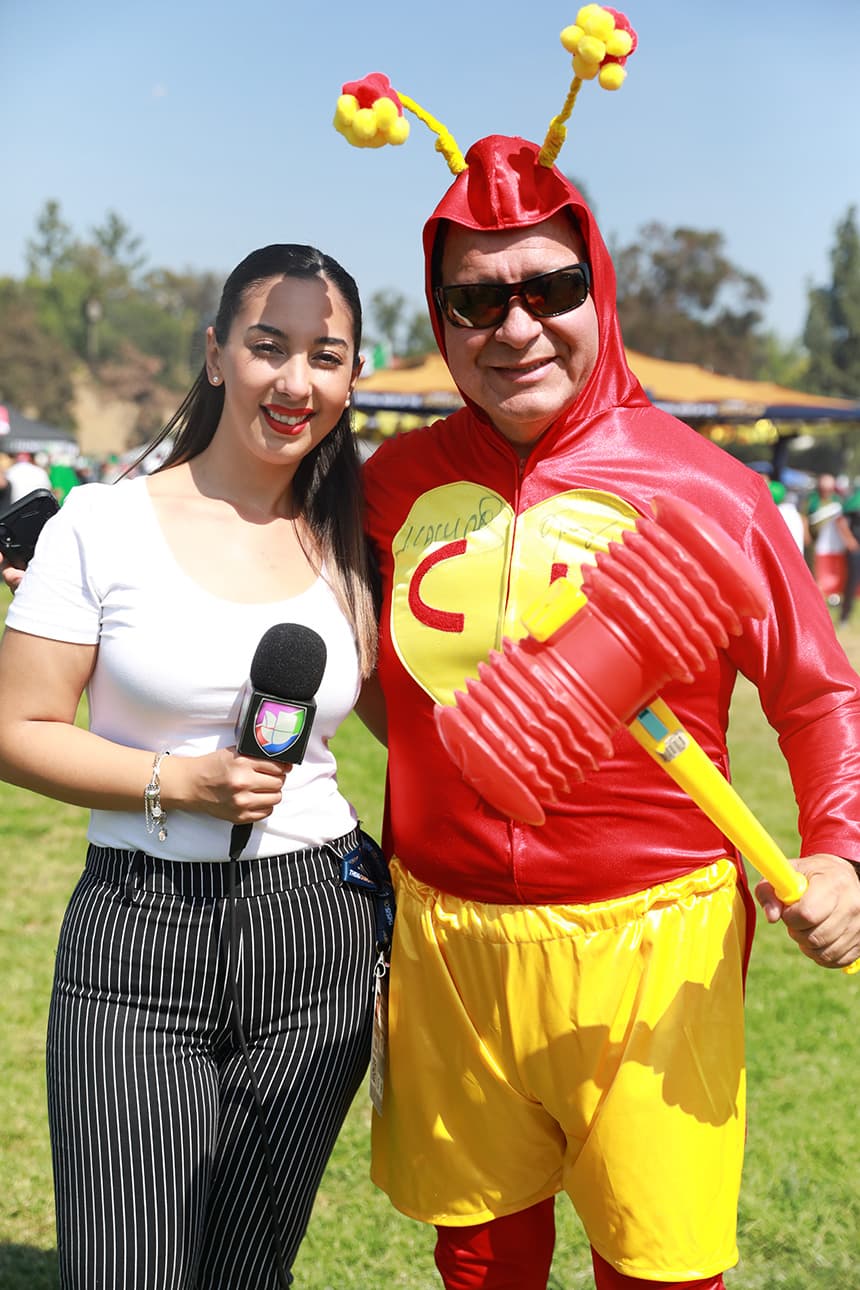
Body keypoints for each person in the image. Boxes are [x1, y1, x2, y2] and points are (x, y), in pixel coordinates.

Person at [337, 21, 860, 1290]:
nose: (513, 326)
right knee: (478, 1259)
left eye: (547, 288)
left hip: (654, 946)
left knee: (660, 1271)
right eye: (474, 300)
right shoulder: (387, 485)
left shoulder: (710, 491)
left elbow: (816, 694)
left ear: (597, 289)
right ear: (439, 317)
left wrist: (841, 851)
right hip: (447, 936)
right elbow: (346, 652)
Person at [0, 243, 389, 1290]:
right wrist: (177, 782)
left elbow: (423, 729)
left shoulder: (357, 539)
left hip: (319, 935)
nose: (295, 381)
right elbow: (16, 727)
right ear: (215, 354)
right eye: (268, 346)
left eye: (325, 356)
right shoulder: (102, 523)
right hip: (138, 940)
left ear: (354, 376)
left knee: (246, 1275)